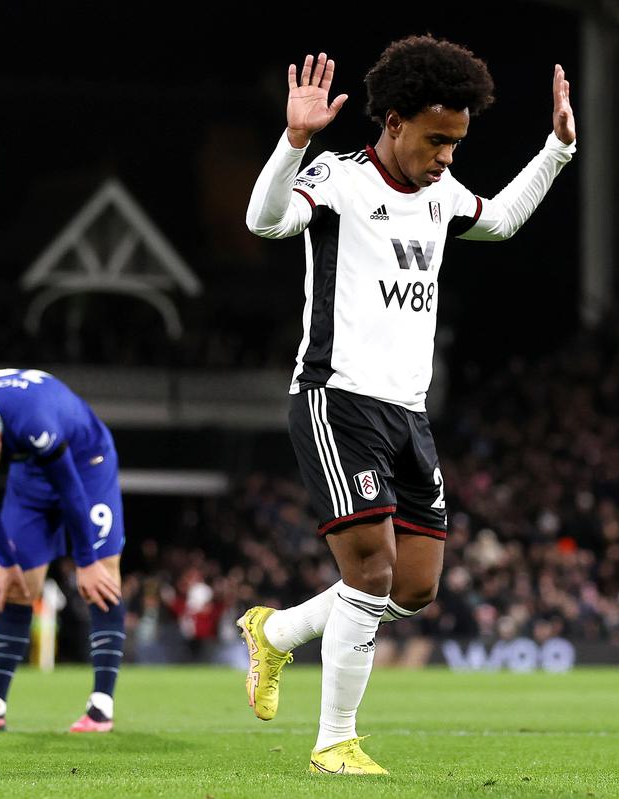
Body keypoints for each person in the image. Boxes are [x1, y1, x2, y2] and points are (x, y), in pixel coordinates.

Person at [241, 35, 576, 774]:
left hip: (407, 413)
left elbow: (501, 219)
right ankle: (334, 743)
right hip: (338, 401)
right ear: (393, 122)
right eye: (436, 139)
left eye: (457, 142)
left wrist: (556, 150)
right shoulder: (338, 179)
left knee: (415, 588)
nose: (447, 156)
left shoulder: (441, 194)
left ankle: (278, 632)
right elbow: (264, 221)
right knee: (370, 573)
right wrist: (293, 142)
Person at [0, 368, 126, 732]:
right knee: (18, 584)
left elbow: (70, 490)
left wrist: (85, 560)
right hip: (32, 469)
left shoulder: (33, 418)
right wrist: (5, 560)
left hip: (85, 462)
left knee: (101, 576)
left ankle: (101, 708)